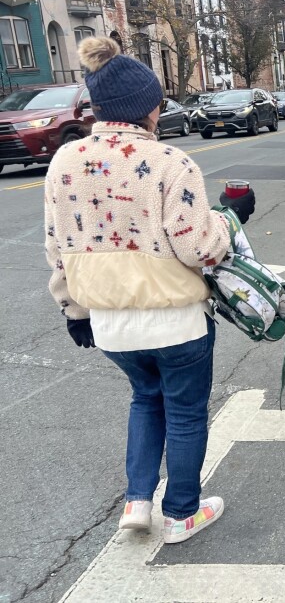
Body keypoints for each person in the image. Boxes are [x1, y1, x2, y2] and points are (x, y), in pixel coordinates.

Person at [43, 37, 255, 544]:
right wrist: (231, 220)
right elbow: (198, 248)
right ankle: (181, 511)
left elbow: (58, 247)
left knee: (144, 399)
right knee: (184, 411)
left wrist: (73, 309)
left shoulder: (65, 161)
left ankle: (138, 501)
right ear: (149, 106)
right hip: (174, 316)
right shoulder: (168, 162)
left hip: (109, 322)